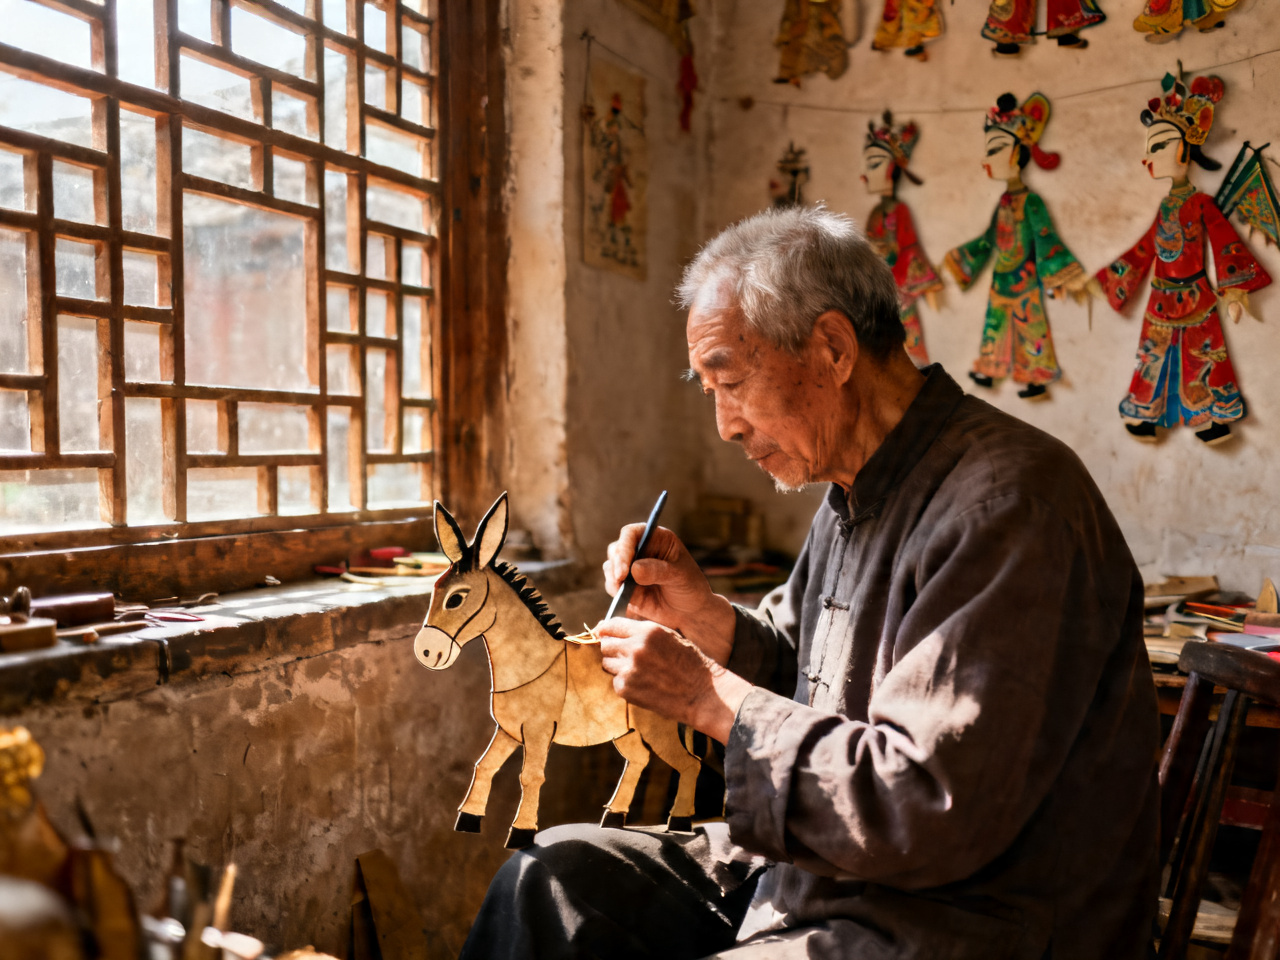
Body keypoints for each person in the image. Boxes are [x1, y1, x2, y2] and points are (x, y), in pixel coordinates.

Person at [459, 205, 1160, 959]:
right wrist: (704, 619)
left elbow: (928, 806)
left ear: (831, 348)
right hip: (834, 876)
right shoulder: (854, 488)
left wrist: (705, 695)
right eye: (707, 391)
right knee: (553, 880)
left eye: (730, 381)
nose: (724, 425)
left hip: (968, 918)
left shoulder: (1008, 506)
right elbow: (808, 670)